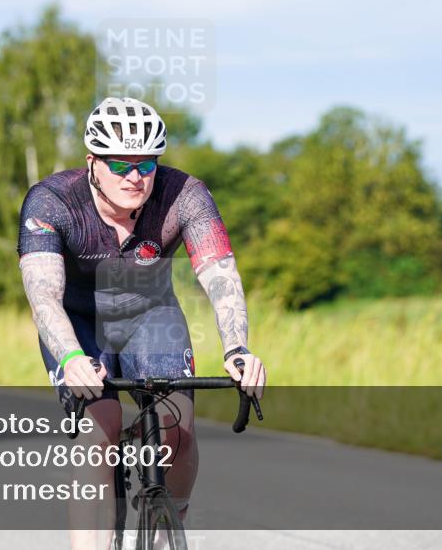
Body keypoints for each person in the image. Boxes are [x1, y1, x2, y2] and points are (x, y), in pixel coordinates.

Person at [17, 97, 266, 550]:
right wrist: (72, 357)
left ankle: (172, 519)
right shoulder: (51, 202)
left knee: (179, 427)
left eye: (147, 164)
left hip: (150, 314)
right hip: (78, 321)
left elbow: (220, 274)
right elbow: (44, 295)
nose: (135, 177)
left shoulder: (185, 194)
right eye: (121, 164)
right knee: (98, 427)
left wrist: (237, 349)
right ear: (92, 161)